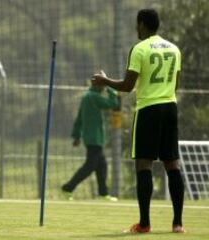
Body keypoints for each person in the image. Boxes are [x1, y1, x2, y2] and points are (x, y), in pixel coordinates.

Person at [91, 9, 185, 233]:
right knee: (172, 163)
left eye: (137, 25)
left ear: (142, 24)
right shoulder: (174, 49)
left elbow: (127, 86)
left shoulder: (139, 49)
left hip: (149, 109)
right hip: (170, 107)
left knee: (144, 163)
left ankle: (144, 224)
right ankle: (178, 224)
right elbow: (176, 83)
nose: (136, 29)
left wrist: (104, 80)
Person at [61, 80, 119, 201]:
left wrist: (76, 136)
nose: (104, 88)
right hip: (95, 138)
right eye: (103, 85)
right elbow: (113, 104)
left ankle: (103, 193)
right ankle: (67, 188)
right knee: (90, 166)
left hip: (91, 138)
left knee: (101, 165)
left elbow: (79, 118)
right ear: (98, 85)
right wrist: (111, 89)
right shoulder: (94, 97)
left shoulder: (86, 96)